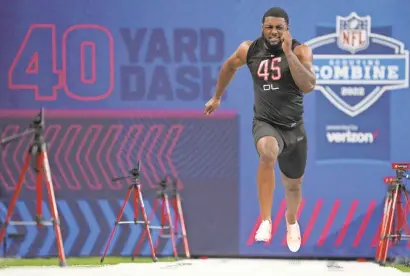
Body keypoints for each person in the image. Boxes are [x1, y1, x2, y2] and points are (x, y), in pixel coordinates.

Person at [204, 7, 316, 252]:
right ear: (262, 28)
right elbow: (229, 67)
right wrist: (217, 97)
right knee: (267, 152)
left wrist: (288, 53)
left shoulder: (300, 50)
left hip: (294, 127)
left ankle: (291, 221)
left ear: (287, 29)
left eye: (279, 27)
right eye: (269, 27)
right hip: (265, 122)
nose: (273, 32)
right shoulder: (250, 49)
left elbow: (308, 85)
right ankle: (265, 220)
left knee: (294, 185)